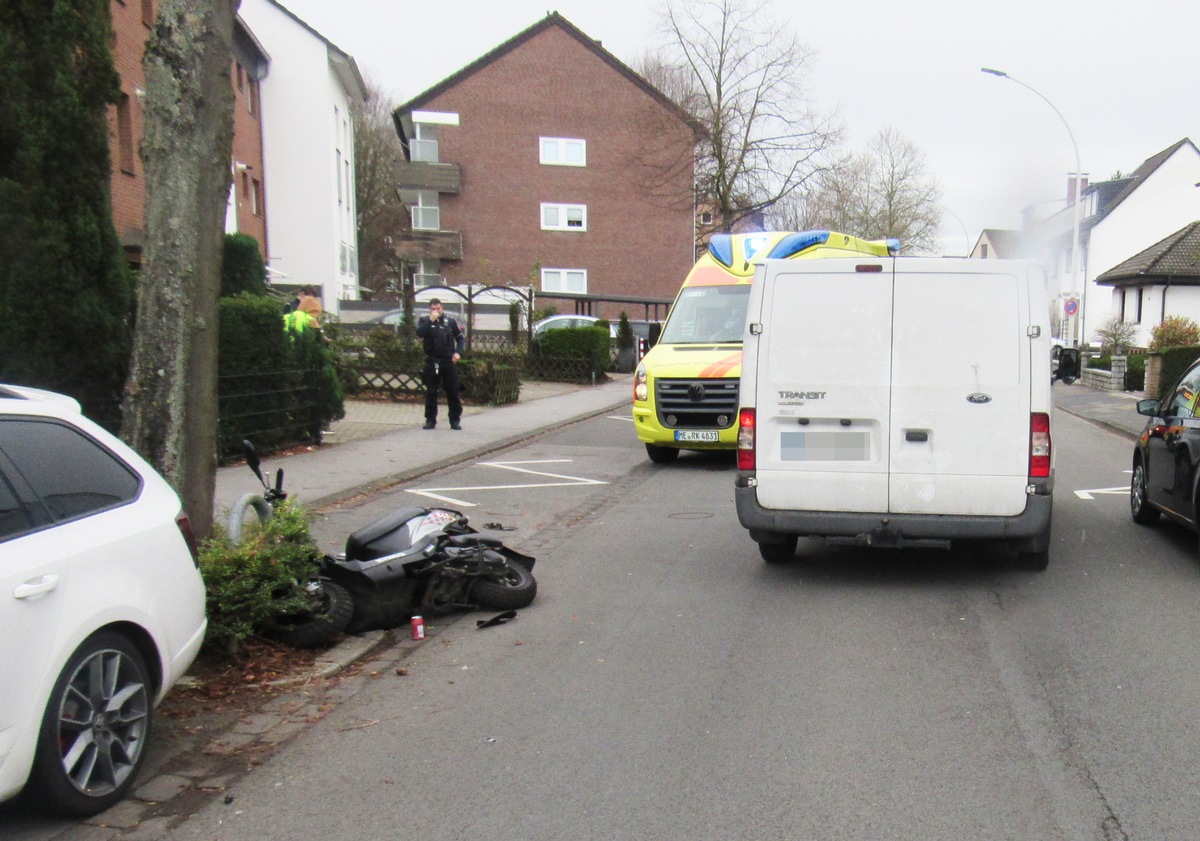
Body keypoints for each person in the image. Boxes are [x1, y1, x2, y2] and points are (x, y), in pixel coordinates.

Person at [415, 298, 465, 430]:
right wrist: (431, 320)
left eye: (438, 309)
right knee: (432, 391)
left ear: (442, 308)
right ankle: (430, 420)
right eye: (433, 309)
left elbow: (460, 338)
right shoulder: (425, 321)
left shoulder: (450, 322)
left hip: (448, 361)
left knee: (452, 391)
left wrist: (458, 353)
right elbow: (419, 333)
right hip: (434, 362)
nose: (436, 311)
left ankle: (455, 420)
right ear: (429, 309)